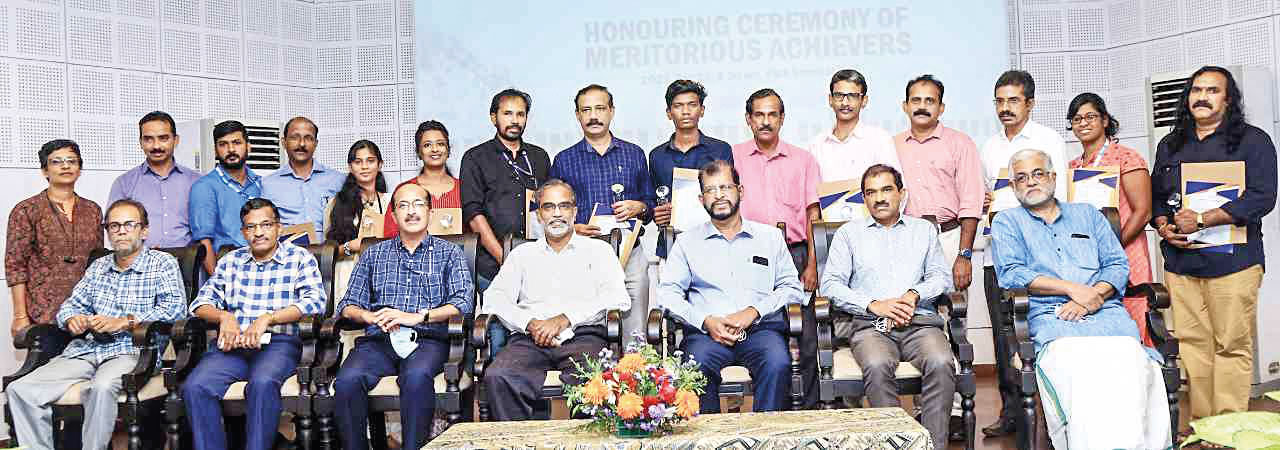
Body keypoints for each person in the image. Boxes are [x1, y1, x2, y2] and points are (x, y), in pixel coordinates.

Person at [992, 148, 1170, 450]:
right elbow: (1011, 274)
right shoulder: (1007, 223)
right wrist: (1072, 290)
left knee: (1133, 365)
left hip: (1107, 317)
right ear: (1013, 186)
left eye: (1037, 174)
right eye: (1021, 178)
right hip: (1053, 319)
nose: (1031, 182)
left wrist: (1092, 296)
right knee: (1078, 371)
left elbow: (1117, 264)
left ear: (1052, 177)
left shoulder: (1088, 215)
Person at [6, 199, 186, 450]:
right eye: (114, 226)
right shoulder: (99, 266)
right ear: (108, 232)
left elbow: (175, 309)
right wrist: (73, 318)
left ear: (144, 230)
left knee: (100, 387)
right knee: (20, 389)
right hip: (86, 350)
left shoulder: (162, 263)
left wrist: (125, 322)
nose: (121, 231)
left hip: (132, 350)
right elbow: (70, 306)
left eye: (129, 225)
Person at [1151, 66, 1276, 422]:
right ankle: (1205, 426)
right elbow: (1158, 196)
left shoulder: (1253, 141)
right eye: (1196, 90)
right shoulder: (1171, 143)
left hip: (1234, 263)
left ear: (1229, 99)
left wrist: (1206, 219)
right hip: (1182, 263)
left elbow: (1263, 197)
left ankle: (1228, 427)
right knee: (1193, 347)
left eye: (1212, 90)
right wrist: (1162, 224)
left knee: (1231, 346)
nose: (1201, 97)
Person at [818, 164, 954, 446]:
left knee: (941, 361)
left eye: (886, 189)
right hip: (871, 327)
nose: (879, 198)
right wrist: (873, 305)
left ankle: (932, 445)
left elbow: (941, 276)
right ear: (864, 199)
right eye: (871, 192)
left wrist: (914, 294)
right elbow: (830, 285)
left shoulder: (923, 230)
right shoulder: (848, 234)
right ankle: (894, 444)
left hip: (920, 324)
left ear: (902, 193)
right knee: (878, 364)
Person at [332, 183, 474, 450]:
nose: (411, 212)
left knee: (416, 377)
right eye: (403, 206)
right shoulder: (373, 254)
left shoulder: (450, 253)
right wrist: (370, 316)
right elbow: (347, 305)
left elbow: (462, 303)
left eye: (418, 204)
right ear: (394, 216)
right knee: (347, 380)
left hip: (428, 339)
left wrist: (418, 317)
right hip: (379, 340)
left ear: (430, 212)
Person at [657, 160, 805, 413]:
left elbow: (792, 287)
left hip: (760, 331)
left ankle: (765, 439)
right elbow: (667, 294)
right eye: (711, 190)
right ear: (701, 199)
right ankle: (711, 441)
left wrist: (753, 312)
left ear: (741, 191)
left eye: (725, 187)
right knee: (694, 367)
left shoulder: (769, 237)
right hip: (707, 336)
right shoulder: (687, 243)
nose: (719, 196)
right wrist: (705, 320)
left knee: (778, 363)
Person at [181, 198, 326, 450]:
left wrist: (269, 318)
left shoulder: (299, 258)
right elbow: (199, 304)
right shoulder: (230, 262)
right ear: (243, 232)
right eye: (250, 227)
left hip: (278, 342)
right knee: (196, 386)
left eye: (266, 224)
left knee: (262, 384)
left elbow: (315, 302)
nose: (258, 232)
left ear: (279, 227)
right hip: (233, 345)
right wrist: (224, 317)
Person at [480, 179, 630, 420]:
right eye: (549, 207)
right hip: (530, 339)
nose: (557, 214)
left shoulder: (598, 251)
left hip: (584, 337)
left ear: (575, 211)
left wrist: (565, 319)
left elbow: (618, 297)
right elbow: (494, 298)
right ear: (539, 214)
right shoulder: (522, 254)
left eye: (564, 206)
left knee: (594, 379)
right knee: (500, 375)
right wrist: (529, 322)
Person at [976, 70, 1067, 437]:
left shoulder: (1049, 140)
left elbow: (1058, 194)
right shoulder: (988, 146)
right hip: (996, 254)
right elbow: (987, 199)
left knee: (1039, 328)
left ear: (1030, 102)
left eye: (1013, 100)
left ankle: (1048, 409)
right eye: (999, 101)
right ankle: (1011, 411)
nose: (1005, 108)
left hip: (1038, 254)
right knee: (1003, 335)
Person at [731, 88, 822, 408]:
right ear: (748, 119)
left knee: (807, 338)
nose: (766, 121)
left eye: (772, 115)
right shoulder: (734, 157)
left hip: (795, 255)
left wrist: (812, 263)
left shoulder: (804, 159)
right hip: (747, 256)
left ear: (782, 118)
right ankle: (769, 413)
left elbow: (814, 214)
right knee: (760, 336)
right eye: (759, 115)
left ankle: (807, 415)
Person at [550, 84, 654, 340]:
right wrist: (572, 228)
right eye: (586, 110)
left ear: (611, 111)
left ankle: (635, 375)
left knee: (635, 334)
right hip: (583, 256)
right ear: (577, 115)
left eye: (600, 108)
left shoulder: (634, 154)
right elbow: (551, 211)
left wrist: (639, 207)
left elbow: (650, 204)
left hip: (631, 254)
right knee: (588, 333)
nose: (593, 116)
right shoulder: (564, 159)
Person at [1066, 93, 1154, 348]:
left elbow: (1143, 212)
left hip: (1127, 251)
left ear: (1105, 120)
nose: (1083, 123)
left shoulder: (1127, 158)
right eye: (1076, 118)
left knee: (1134, 322)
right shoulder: (1074, 166)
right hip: (1089, 259)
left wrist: (1112, 249)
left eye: (1090, 116)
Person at [895, 75, 985, 294]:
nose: (922, 107)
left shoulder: (961, 143)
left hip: (949, 238)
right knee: (910, 313)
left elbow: (971, 203)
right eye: (916, 101)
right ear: (905, 106)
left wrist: (964, 255)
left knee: (955, 312)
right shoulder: (892, 146)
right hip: (905, 240)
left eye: (930, 101)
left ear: (941, 107)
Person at [6, 139, 104, 337]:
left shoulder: (93, 210)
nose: (65, 166)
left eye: (72, 161)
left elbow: (99, 262)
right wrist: (19, 316)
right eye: (56, 161)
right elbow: (15, 266)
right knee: (46, 367)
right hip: (42, 311)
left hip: (85, 312)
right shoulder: (26, 210)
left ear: (79, 168)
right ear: (45, 170)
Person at [460, 88, 551, 289]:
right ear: (494, 118)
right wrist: (504, 258)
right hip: (493, 266)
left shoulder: (539, 157)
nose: (515, 120)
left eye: (520, 114)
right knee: (497, 320)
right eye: (507, 114)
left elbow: (549, 209)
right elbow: (474, 215)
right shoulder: (475, 158)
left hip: (537, 263)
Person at [648, 79, 733, 259]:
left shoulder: (721, 150)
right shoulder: (657, 155)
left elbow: (729, 196)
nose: (685, 111)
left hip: (714, 243)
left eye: (692, 105)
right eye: (678, 106)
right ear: (669, 113)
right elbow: (653, 201)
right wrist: (657, 213)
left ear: (701, 110)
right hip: (671, 245)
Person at [107, 111, 202, 248]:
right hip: (141, 266)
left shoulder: (196, 182)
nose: (156, 146)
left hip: (188, 265)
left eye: (163, 138)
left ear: (176, 140)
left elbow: (206, 231)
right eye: (148, 139)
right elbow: (115, 228)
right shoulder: (124, 183)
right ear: (140, 142)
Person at [189, 120, 264, 275]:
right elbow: (204, 243)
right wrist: (220, 284)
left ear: (248, 146)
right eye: (223, 144)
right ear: (215, 150)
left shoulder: (260, 184)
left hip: (263, 270)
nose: (230, 149)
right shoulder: (204, 187)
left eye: (237, 142)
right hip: (228, 272)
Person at [323, 140, 392, 300]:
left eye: (370, 161)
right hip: (347, 271)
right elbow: (328, 252)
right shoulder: (336, 203)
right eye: (358, 162)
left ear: (380, 165)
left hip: (384, 272)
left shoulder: (391, 202)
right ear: (350, 167)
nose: (364, 166)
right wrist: (350, 246)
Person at [807, 69, 901, 183]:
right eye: (839, 95)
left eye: (852, 96)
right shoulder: (816, 145)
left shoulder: (880, 140)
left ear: (864, 100)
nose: (845, 103)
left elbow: (898, 190)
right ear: (830, 100)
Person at [261, 116, 345, 236]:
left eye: (308, 138)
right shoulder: (267, 185)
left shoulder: (338, 180)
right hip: (287, 253)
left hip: (330, 252)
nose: (301, 144)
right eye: (294, 138)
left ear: (315, 144)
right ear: (284, 143)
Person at [384, 121, 463, 238]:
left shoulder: (465, 188)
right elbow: (390, 233)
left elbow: (475, 233)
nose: (435, 149)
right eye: (427, 145)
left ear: (448, 150)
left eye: (440, 144)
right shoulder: (404, 190)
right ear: (418, 152)